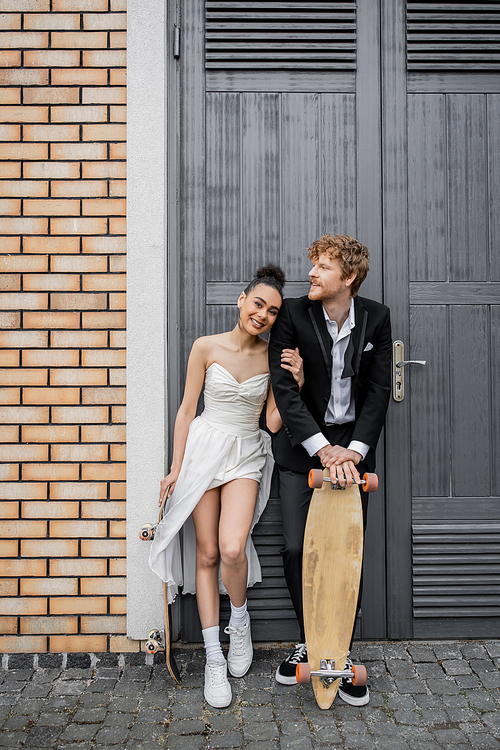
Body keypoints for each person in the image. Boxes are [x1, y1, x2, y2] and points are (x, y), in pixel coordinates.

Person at [149, 265, 286, 709]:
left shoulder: (273, 355)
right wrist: (175, 466)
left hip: (247, 452)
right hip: (204, 450)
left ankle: (240, 623)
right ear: (242, 300)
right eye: (258, 303)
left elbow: (270, 423)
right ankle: (213, 658)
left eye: (272, 311)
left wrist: (294, 386)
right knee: (206, 553)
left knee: (232, 547)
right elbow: (187, 410)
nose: (263, 314)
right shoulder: (205, 346)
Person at [268, 234, 392, 706]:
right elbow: (284, 388)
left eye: (323, 267)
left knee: (346, 553)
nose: (312, 274)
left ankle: (339, 648)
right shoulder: (295, 315)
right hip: (305, 452)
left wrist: (354, 452)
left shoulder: (376, 318)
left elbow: (379, 391)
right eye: (313, 265)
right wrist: (323, 451)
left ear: (349, 277)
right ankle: (310, 642)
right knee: (300, 548)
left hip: (353, 454)